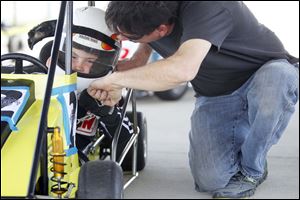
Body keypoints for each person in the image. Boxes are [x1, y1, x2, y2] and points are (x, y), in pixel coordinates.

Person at [87, 1, 299, 198]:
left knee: (277, 81)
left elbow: (182, 71)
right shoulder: (154, 14)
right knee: (212, 180)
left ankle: (253, 167)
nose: (122, 40)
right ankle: (242, 128)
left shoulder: (209, 6)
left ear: (161, 29)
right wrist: (137, 59)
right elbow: (149, 37)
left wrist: (116, 81)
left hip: (263, 74)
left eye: (130, 37)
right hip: (216, 94)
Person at [31, 6, 134, 162]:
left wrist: (107, 113)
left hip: (70, 165)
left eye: (91, 61)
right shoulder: (34, 78)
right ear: (56, 54)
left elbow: (127, 140)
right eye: (72, 57)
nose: (79, 66)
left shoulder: (101, 95)